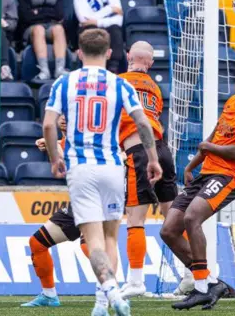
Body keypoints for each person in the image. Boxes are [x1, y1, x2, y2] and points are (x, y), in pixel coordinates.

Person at [43, 28, 162, 316]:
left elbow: (48, 125)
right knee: (111, 237)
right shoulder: (120, 84)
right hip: (112, 165)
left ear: (79, 53)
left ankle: (110, 292)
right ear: (110, 54)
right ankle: (101, 304)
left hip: (81, 166)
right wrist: (153, 159)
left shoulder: (64, 82)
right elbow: (143, 124)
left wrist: (53, 158)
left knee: (93, 238)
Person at [160, 65, 235, 310]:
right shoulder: (232, 102)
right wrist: (192, 165)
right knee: (168, 230)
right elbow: (214, 137)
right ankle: (211, 282)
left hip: (228, 177)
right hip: (205, 173)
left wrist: (208, 149)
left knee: (192, 218)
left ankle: (200, 288)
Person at [117, 41, 178, 298]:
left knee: (135, 219)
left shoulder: (117, 81)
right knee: (172, 218)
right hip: (163, 150)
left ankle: (136, 281)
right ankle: (191, 276)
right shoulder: (155, 88)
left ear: (128, 56)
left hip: (140, 152)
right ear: (150, 64)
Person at [21, 115, 92, 308]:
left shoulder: (85, 141)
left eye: (69, 114)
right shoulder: (62, 142)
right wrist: (52, 145)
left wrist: (53, 146)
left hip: (94, 199)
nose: (64, 119)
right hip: (79, 202)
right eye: (61, 114)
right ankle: (49, 295)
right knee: (37, 243)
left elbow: (68, 165)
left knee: (91, 246)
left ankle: (114, 289)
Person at [17, 0, 67, 81]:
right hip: (31, 29)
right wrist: (49, 12)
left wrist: (38, 12)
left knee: (59, 29)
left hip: (52, 26)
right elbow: (26, 17)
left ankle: (60, 69)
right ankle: (44, 70)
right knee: (38, 29)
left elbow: (59, 14)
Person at [73, 0, 124, 74]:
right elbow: (84, 20)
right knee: (89, 28)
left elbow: (118, 21)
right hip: (88, 29)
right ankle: (89, 67)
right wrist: (109, 10)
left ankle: (113, 69)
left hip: (109, 29)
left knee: (115, 29)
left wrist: (97, 21)